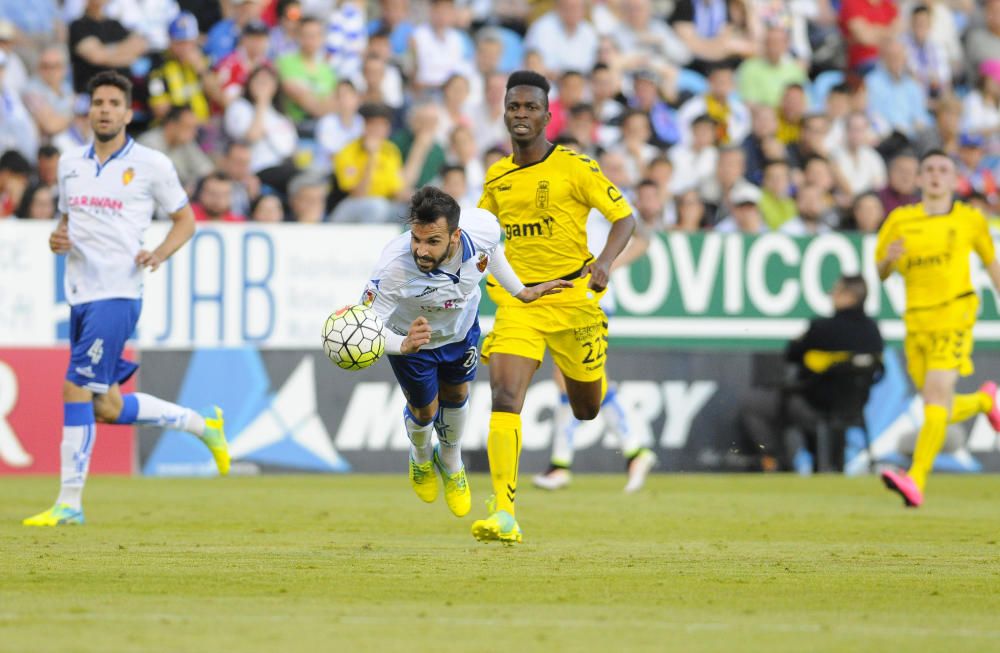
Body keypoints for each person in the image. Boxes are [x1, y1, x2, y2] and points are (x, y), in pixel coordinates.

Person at [23, 71, 230, 527]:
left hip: (118, 292)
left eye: (113, 103)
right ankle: (202, 424)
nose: (104, 109)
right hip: (79, 294)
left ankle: (70, 503)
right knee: (107, 406)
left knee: (74, 386)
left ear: (127, 112)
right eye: (97, 102)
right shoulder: (69, 164)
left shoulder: (152, 164)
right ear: (89, 109)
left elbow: (185, 221)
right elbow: (64, 224)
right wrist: (57, 239)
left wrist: (158, 253)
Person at [474, 71, 636, 544]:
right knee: (505, 397)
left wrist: (604, 262)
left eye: (529, 107)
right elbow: (482, 235)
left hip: (573, 300)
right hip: (520, 301)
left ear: (547, 115)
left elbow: (624, 218)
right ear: (504, 113)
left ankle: (593, 379)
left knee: (586, 408)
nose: (520, 114)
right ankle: (504, 512)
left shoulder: (575, 167)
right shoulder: (496, 175)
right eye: (513, 107)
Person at [361, 186, 570, 519]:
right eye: (416, 239)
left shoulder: (483, 226)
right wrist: (402, 344)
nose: (421, 250)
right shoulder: (393, 269)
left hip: (460, 332)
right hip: (413, 340)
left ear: (455, 236)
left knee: (457, 395)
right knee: (426, 412)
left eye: (432, 242)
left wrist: (521, 291)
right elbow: (366, 329)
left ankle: (452, 463)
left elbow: (491, 252)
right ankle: (419, 456)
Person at [876, 149, 1000, 508]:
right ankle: (983, 400)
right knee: (934, 405)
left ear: (953, 179)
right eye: (928, 169)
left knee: (934, 398)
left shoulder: (969, 220)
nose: (934, 175)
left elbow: (992, 264)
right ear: (918, 179)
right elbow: (881, 270)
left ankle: (915, 478)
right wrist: (888, 261)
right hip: (916, 321)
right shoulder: (900, 221)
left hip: (955, 314)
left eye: (942, 170)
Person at [739, 275, 884, 472]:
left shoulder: (822, 328)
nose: (832, 296)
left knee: (754, 406)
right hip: (855, 407)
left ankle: (780, 464)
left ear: (850, 297)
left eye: (836, 292)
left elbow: (791, 355)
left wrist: (798, 341)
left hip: (814, 407)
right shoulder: (873, 331)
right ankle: (830, 464)